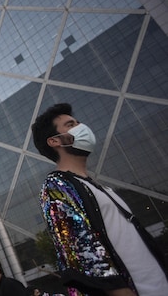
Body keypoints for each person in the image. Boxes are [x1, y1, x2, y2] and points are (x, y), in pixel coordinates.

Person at [32, 103, 168, 295]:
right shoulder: (56, 186)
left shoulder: (101, 188)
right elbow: (83, 251)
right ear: (54, 141)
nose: (82, 127)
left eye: (79, 122)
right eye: (71, 125)